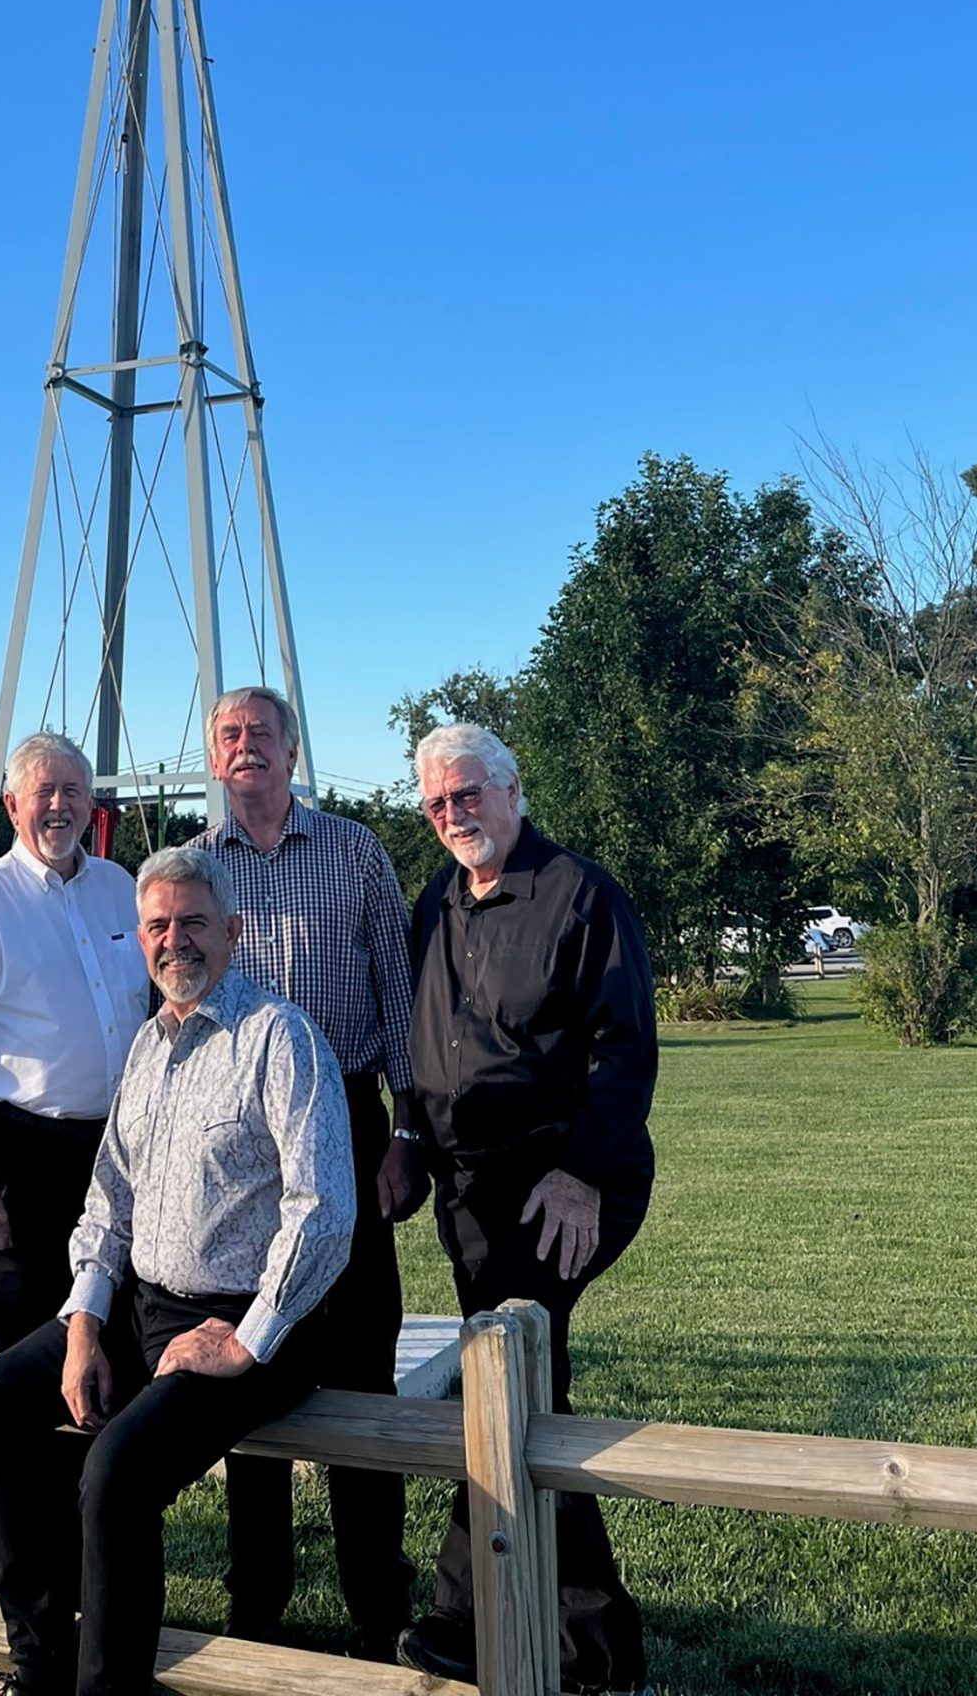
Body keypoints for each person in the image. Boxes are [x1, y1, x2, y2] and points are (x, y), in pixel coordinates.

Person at [0, 845, 355, 1696]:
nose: (177, 942)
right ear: (140, 939)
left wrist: (247, 1342)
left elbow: (322, 1212)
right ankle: (42, 1661)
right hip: (142, 1308)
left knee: (116, 1470)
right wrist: (83, 1326)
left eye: (195, 922)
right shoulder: (145, 1048)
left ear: (233, 932)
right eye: (159, 926)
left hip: (247, 1323)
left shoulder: (279, 1039)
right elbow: (110, 1199)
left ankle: (111, 1688)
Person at [396, 724, 659, 1696]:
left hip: (560, 1183)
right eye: (436, 803)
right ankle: (484, 1616)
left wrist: (584, 1172)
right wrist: (410, 1139)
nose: (454, 814)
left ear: (512, 790)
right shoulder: (439, 898)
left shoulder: (580, 894)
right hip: (468, 1188)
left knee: (514, 1384)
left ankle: (577, 1642)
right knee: (507, 1387)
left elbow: (625, 1046)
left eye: (467, 794)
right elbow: (425, 1033)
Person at [197, 683, 425, 1656]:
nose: (247, 748)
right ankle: (260, 1609)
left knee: (361, 1362)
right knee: (249, 1358)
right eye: (230, 735)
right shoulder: (192, 870)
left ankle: (381, 1604)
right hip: (242, 1148)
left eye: (262, 733)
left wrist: (407, 1131)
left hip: (351, 1119)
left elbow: (401, 993)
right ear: (215, 757)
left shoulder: (354, 851)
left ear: (294, 750)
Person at [0, 731, 151, 1596]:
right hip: (16, 1165)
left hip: (113, 1164)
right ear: (12, 805)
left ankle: (83, 1589)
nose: (59, 805)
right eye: (42, 791)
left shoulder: (123, 891)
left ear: (95, 804)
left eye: (73, 791)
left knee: (96, 1377)